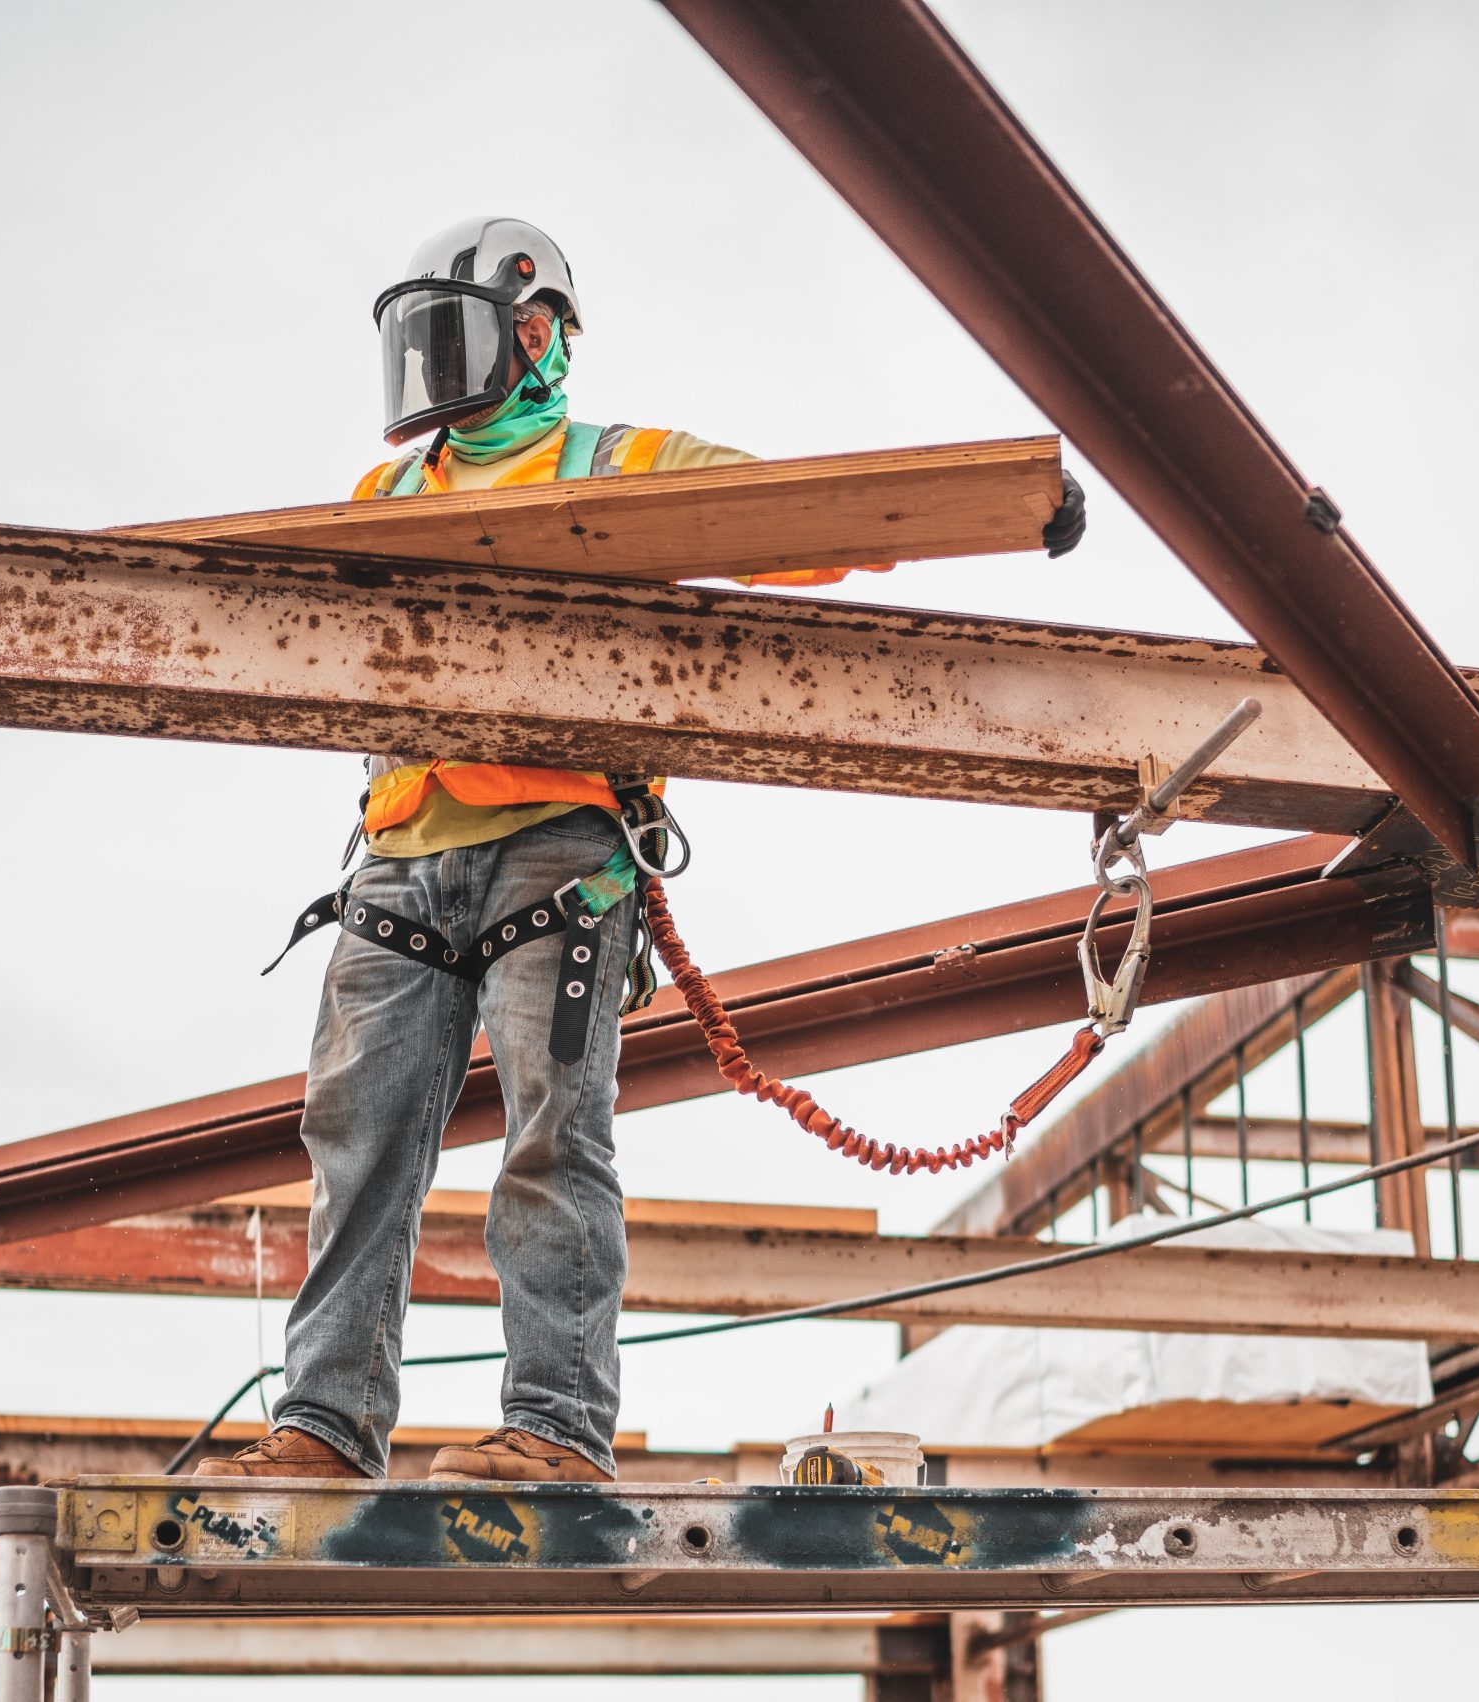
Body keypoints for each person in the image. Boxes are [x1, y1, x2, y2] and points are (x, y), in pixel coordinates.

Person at [195, 217, 1085, 1485]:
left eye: (454, 335)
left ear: (535, 333)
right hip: (399, 858)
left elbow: (800, 518)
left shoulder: (624, 467)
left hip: (558, 856)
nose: (431, 368)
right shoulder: (387, 494)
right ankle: (326, 1428)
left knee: (555, 1137)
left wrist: (1003, 507)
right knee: (358, 1142)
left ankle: (556, 1428)